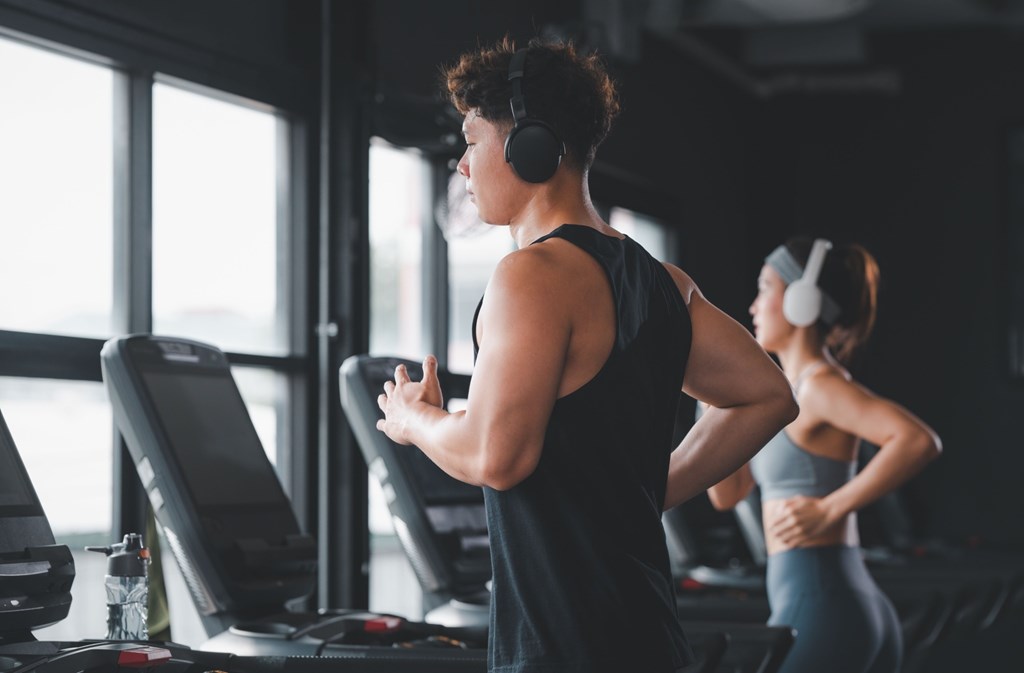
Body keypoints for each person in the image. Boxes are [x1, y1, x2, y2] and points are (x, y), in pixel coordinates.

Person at [375, 36, 798, 673]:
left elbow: (497, 455)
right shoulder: (664, 282)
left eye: (472, 140)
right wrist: (647, 491)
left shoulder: (531, 275)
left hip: (565, 647)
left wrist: (415, 421)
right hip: (650, 639)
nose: (461, 165)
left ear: (528, 146)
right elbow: (768, 396)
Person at [706, 237, 942, 673]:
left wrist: (830, 509)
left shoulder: (818, 387)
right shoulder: (782, 394)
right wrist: (715, 402)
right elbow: (729, 494)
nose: (754, 306)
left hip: (823, 603)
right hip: (828, 599)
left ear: (801, 300)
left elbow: (917, 440)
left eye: (765, 287)